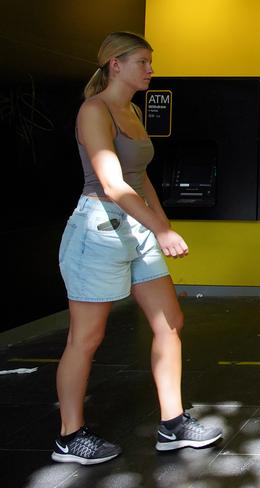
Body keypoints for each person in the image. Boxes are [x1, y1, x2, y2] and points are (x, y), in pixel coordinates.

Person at [52, 31, 222, 465]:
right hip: (98, 228)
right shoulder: (95, 110)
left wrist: (161, 226)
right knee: (86, 337)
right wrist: (160, 231)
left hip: (137, 226)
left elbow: (141, 176)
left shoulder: (131, 110)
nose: (150, 69)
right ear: (115, 65)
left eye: (150, 62)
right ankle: (69, 436)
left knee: (170, 321)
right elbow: (112, 182)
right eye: (143, 62)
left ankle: (173, 423)